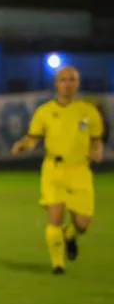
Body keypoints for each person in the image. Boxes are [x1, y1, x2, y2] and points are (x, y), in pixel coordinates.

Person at [11, 67, 104, 274]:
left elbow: (96, 140)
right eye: (63, 80)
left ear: (77, 84)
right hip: (54, 169)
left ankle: (70, 235)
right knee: (55, 216)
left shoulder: (88, 112)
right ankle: (58, 264)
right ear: (56, 84)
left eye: (72, 80)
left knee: (83, 223)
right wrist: (22, 145)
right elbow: (33, 139)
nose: (68, 84)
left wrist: (96, 151)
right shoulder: (44, 112)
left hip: (80, 170)